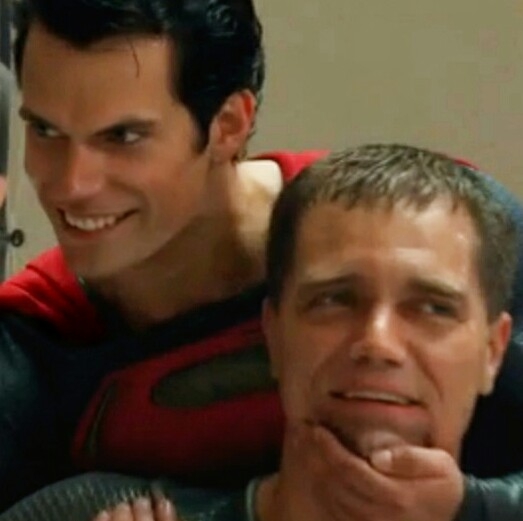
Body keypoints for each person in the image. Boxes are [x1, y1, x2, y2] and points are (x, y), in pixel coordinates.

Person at [3, 0, 523, 518]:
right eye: (45, 130)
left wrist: (474, 507)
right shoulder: (28, 352)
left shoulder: (442, 232)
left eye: (124, 137)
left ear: (228, 124)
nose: (72, 184)